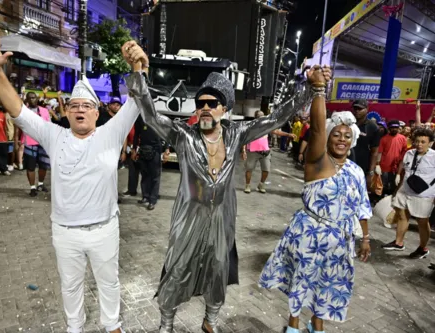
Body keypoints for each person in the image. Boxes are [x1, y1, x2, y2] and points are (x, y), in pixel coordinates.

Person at [124, 40, 322, 333]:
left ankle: (210, 320)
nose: (204, 108)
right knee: (177, 270)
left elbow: (276, 117)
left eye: (211, 104)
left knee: (217, 270)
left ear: (224, 109)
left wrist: (309, 87)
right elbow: (150, 114)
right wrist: (138, 71)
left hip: (222, 219)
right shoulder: (183, 135)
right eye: (200, 103)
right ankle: (166, 324)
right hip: (188, 219)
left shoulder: (238, 132)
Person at [0, 28, 143, 333]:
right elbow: (18, 109)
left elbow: (137, 100)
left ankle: (112, 325)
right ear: (66, 112)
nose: (80, 110)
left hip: (105, 229)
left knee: (109, 282)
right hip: (65, 232)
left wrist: (139, 68)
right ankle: (74, 328)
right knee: (70, 285)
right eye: (74, 105)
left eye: (87, 106)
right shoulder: (54, 135)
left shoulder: (110, 134)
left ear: (97, 112)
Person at [259, 98, 372, 333]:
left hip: (340, 240)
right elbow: (318, 128)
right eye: (336, 134)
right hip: (308, 236)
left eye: (347, 136)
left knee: (327, 285)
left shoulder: (356, 172)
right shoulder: (317, 163)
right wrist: (319, 91)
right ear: (328, 137)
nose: (342, 139)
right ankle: (293, 324)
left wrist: (366, 239)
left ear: (352, 140)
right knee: (301, 280)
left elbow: (362, 206)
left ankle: (316, 324)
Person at [382, 128, 435, 259]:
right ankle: (398, 243)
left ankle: (423, 248)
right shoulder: (409, 153)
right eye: (417, 141)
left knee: (422, 221)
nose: (419, 144)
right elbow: (406, 172)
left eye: (423, 142)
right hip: (405, 190)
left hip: (424, 195)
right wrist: (397, 189)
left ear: (430, 143)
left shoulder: (434, 156)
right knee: (401, 215)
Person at [242, 110, 295, 194]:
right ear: (256, 118)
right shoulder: (250, 127)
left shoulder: (267, 126)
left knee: (266, 169)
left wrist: (288, 135)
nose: (262, 119)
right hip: (252, 151)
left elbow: (277, 132)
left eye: (263, 117)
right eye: (260, 117)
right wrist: (244, 150)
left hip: (265, 152)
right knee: (249, 169)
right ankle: (247, 185)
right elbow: (244, 139)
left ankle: (261, 184)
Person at [131, 115, 170, 210]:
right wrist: (134, 149)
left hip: (155, 150)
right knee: (144, 175)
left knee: (155, 176)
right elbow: (136, 134)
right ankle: (145, 196)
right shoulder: (140, 118)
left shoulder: (159, 118)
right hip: (143, 149)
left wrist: (167, 150)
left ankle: (152, 200)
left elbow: (165, 134)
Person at [22, 91, 51, 196]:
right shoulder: (24, 112)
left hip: (43, 142)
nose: (33, 99)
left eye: (35, 97)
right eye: (31, 98)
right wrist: (18, 140)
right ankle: (32, 188)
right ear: (27, 100)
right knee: (31, 166)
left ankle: (40, 184)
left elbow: (49, 125)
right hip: (30, 141)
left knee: (43, 165)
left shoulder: (44, 110)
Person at [350, 99, 381, 187]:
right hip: (345, 164)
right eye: (355, 108)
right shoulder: (348, 123)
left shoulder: (373, 127)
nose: (357, 111)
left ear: (367, 109)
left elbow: (374, 151)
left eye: (360, 109)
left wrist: (370, 172)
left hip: (362, 167)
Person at [375, 120, 407, 196]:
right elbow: (379, 153)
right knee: (383, 185)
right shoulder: (383, 139)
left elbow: (404, 152)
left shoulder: (402, 138)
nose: (394, 129)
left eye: (396, 127)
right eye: (392, 127)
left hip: (396, 167)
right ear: (389, 128)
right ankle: (380, 199)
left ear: (399, 128)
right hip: (384, 167)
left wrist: (400, 169)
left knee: (394, 186)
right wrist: (377, 164)